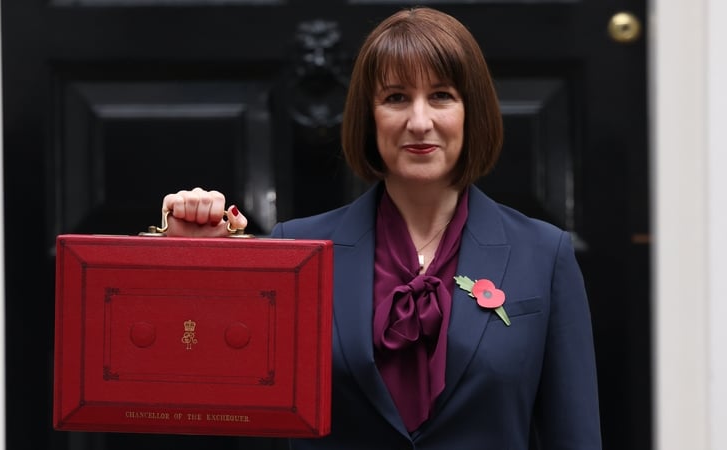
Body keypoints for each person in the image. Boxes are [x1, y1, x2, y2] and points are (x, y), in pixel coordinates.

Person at [162, 6, 601, 450]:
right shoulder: (296, 252)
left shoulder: (544, 254)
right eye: (395, 98)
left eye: (442, 95)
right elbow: (214, 401)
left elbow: (575, 435)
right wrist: (193, 263)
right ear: (368, 118)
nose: (419, 121)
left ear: (473, 111)